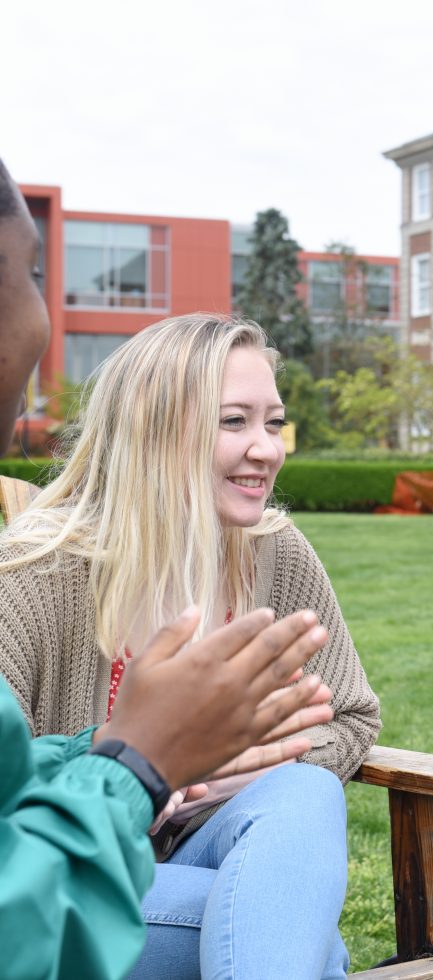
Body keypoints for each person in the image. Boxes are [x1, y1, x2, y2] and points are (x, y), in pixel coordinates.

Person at [0, 164, 340, 978]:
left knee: (304, 795)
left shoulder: (277, 554)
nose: (267, 447)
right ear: (159, 432)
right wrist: (148, 766)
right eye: (234, 423)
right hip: (72, 858)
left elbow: (349, 717)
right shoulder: (37, 572)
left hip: (210, 840)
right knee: (305, 941)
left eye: (273, 422)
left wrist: (243, 760)